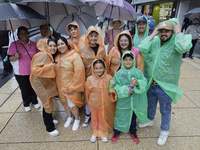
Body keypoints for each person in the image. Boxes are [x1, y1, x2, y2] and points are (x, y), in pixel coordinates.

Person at [138, 19, 192, 146]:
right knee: (151, 104)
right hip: (151, 81)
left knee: (165, 109)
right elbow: (141, 48)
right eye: (161, 31)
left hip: (165, 85)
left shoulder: (176, 42)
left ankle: (164, 131)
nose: (163, 33)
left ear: (172, 31)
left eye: (167, 31)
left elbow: (184, 47)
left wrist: (178, 32)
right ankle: (150, 120)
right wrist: (153, 34)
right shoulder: (156, 41)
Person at [110, 51, 149, 144]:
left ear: (134, 61)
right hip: (123, 102)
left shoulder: (138, 72)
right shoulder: (118, 74)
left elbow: (144, 82)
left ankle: (133, 131)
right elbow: (115, 86)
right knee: (120, 116)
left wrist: (137, 83)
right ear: (122, 61)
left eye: (130, 59)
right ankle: (117, 131)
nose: (128, 62)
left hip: (135, 101)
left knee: (133, 117)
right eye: (125, 59)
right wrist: (125, 90)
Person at [79, 26, 107, 128]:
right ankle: (88, 115)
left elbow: (106, 63)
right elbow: (80, 66)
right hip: (87, 78)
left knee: (99, 96)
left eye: (95, 36)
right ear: (87, 37)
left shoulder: (102, 48)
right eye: (91, 36)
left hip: (100, 78)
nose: (93, 38)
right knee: (88, 97)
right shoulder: (82, 49)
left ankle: (99, 115)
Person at [30, 38, 59, 136]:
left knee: (48, 101)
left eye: (54, 46)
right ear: (46, 46)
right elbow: (35, 70)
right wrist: (51, 66)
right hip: (39, 83)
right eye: (50, 46)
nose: (53, 48)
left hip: (45, 82)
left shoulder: (49, 55)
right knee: (47, 103)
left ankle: (49, 119)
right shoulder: (42, 54)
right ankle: (49, 127)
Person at [8, 26, 41, 112]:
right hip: (20, 72)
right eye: (21, 33)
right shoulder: (14, 44)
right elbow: (9, 58)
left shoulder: (33, 44)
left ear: (28, 34)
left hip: (33, 71)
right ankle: (26, 103)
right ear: (18, 35)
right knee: (25, 89)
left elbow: (38, 56)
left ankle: (34, 101)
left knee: (34, 87)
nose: (23, 35)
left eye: (25, 33)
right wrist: (15, 56)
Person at [55, 37, 85, 131]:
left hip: (71, 86)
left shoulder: (74, 55)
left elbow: (79, 72)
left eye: (62, 43)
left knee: (72, 105)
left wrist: (74, 87)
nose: (60, 46)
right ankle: (69, 117)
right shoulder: (57, 56)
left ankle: (77, 119)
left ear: (66, 44)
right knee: (65, 103)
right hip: (60, 85)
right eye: (58, 44)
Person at [85, 59, 117, 143]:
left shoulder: (109, 78)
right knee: (95, 118)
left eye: (101, 68)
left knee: (103, 118)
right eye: (96, 68)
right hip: (94, 104)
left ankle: (103, 132)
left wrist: (112, 92)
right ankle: (95, 132)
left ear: (104, 68)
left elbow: (113, 89)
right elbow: (87, 93)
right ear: (93, 68)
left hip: (106, 103)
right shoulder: (90, 79)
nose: (99, 70)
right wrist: (89, 103)